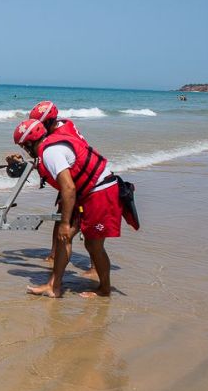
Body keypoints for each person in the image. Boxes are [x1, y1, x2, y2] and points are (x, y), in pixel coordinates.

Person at [10, 118, 125, 298]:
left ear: (30, 143)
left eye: (24, 146)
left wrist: (64, 222)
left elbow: (68, 187)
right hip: (87, 191)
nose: (24, 150)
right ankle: (53, 286)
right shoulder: (48, 147)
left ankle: (104, 289)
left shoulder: (50, 152)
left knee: (93, 244)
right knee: (64, 238)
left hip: (100, 191)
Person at [12, 101, 96, 279]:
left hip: (78, 183)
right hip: (72, 177)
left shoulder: (60, 137)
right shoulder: (64, 124)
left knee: (81, 226)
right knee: (61, 217)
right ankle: (54, 254)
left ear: (49, 123)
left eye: (41, 125)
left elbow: (51, 161)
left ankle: (94, 268)